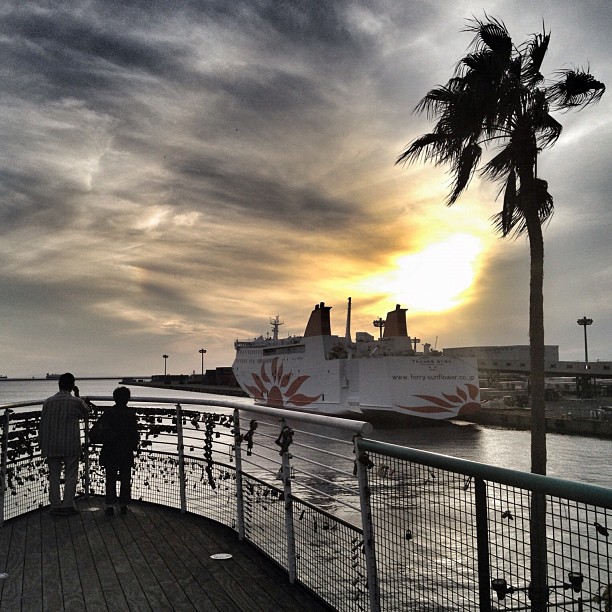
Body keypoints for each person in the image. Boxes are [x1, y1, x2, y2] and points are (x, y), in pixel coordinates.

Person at [39, 372, 89, 516]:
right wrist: (78, 396)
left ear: (59, 385)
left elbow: (42, 423)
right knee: (71, 474)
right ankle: (67, 505)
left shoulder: (48, 402)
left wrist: (41, 442)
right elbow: (86, 413)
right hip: (70, 443)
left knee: (54, 475)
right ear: (72, 386)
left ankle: (55, 505)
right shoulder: (76, 402)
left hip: (52, 443)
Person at [97, 386, 139, 516]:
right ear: (128, 399)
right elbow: (134, 434)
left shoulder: (108, 413)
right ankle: (124, 504)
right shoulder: (131, 415)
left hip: (110, 449)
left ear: (114, 398)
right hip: (125, 450)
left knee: (110, 477)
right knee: (125, 477)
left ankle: (110, 505)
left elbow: (100, 430)